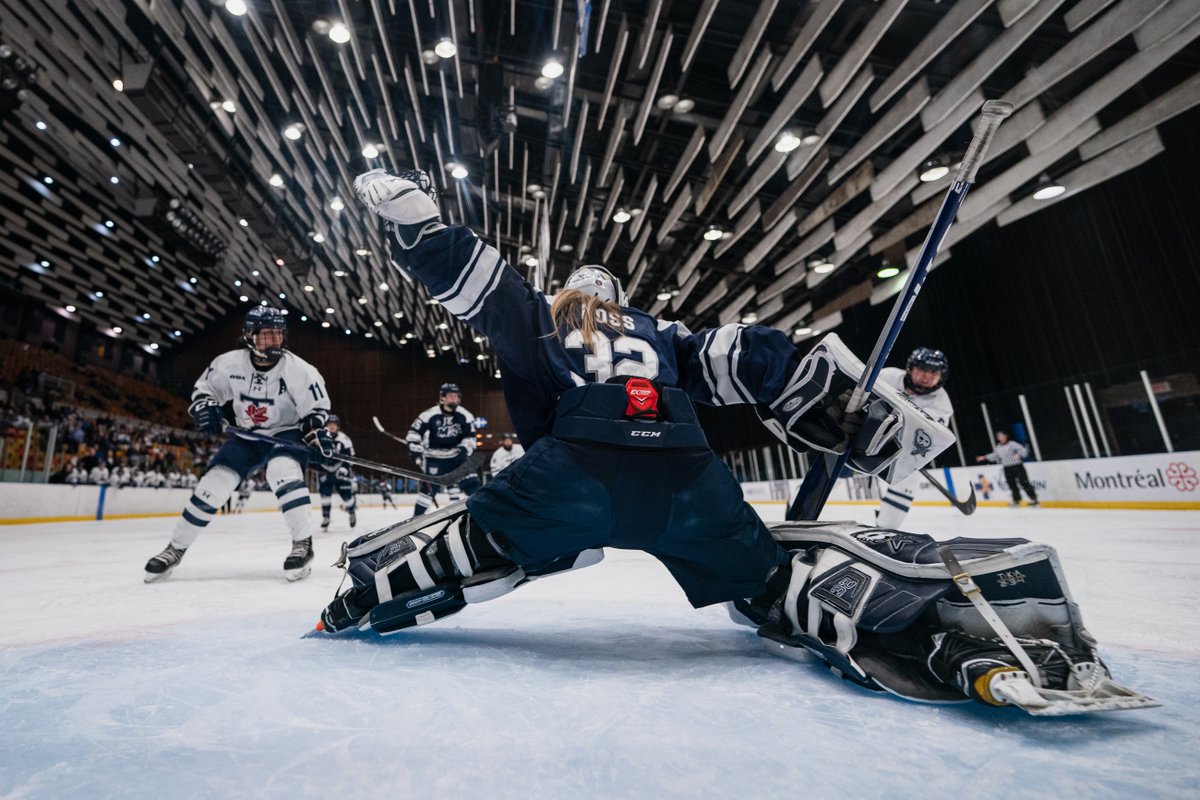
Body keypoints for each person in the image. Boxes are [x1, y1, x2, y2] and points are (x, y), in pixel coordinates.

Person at [316, 168, 949, 644]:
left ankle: (356, 605)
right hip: (686, 476)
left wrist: (421, 224)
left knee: (475, 542)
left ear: (572, 293)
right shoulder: (660, 330)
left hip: (571, 474)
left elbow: (481, 281)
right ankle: (845, 617)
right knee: (767, 581)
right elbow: (744, 357)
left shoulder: (545, 316)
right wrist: (838, 399)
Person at [142, 306, 333, 582]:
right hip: (247, 434)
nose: (275, 340)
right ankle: (175, 548)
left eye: (279, 333)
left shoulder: (299, 370)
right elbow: (204, 392)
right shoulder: (228, 363)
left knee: (282, 472)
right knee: (213, 484)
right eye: (268, 334)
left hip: (285, 433)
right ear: (250, 336)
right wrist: (204, 407)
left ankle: (303, 544)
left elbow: (315, 410)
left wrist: (316, 432)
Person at [872, 347, 954, 529]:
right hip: (861, 437)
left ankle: (885, 530)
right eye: (923, 369)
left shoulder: (941, 402)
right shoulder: (887, 377)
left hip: (896, 449)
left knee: (908, 479)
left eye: (934, 372)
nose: (928, 376)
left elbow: (929, 436)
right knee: (834, 468)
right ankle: (803, 502)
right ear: (910, 368)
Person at [404, 383, 480, 515]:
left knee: (473, 485)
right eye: (450, 396)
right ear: (442, 398)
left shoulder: (465, 416)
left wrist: (464, 449)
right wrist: (415, 450)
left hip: (457, 457)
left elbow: (471, 437)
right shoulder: (429, 415)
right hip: (434, 458)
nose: (454, 398)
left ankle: (483, 515)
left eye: (456, 396)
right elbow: (414, 434)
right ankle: (415, 520)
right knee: (429, 490)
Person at [977, 429, 1039, 507]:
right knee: (1012, 485)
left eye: (1002, 436)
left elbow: (1023, 449)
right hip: (1007, 468)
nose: (1001, 437)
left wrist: (1019, 454)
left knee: (1024, 482)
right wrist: (984, 457)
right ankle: (1016, 500)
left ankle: (1034, 499)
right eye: (999, 436)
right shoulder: (998, 447)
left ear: (1006, 436)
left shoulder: (1012, 444)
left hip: (1017, 466)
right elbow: (995, 455)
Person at [318, 414, 358, 530]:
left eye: (333, 424)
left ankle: (351, 512)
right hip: (325, 471)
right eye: (329, 424)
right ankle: (326, 518)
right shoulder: (320, 438)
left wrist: (344, 469)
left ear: (338, 426)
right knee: (325, 496)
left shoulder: (344, 440)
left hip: (340, 472)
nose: (331, 426)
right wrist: (320, 468)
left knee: (347, 497)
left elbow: (351, 456)